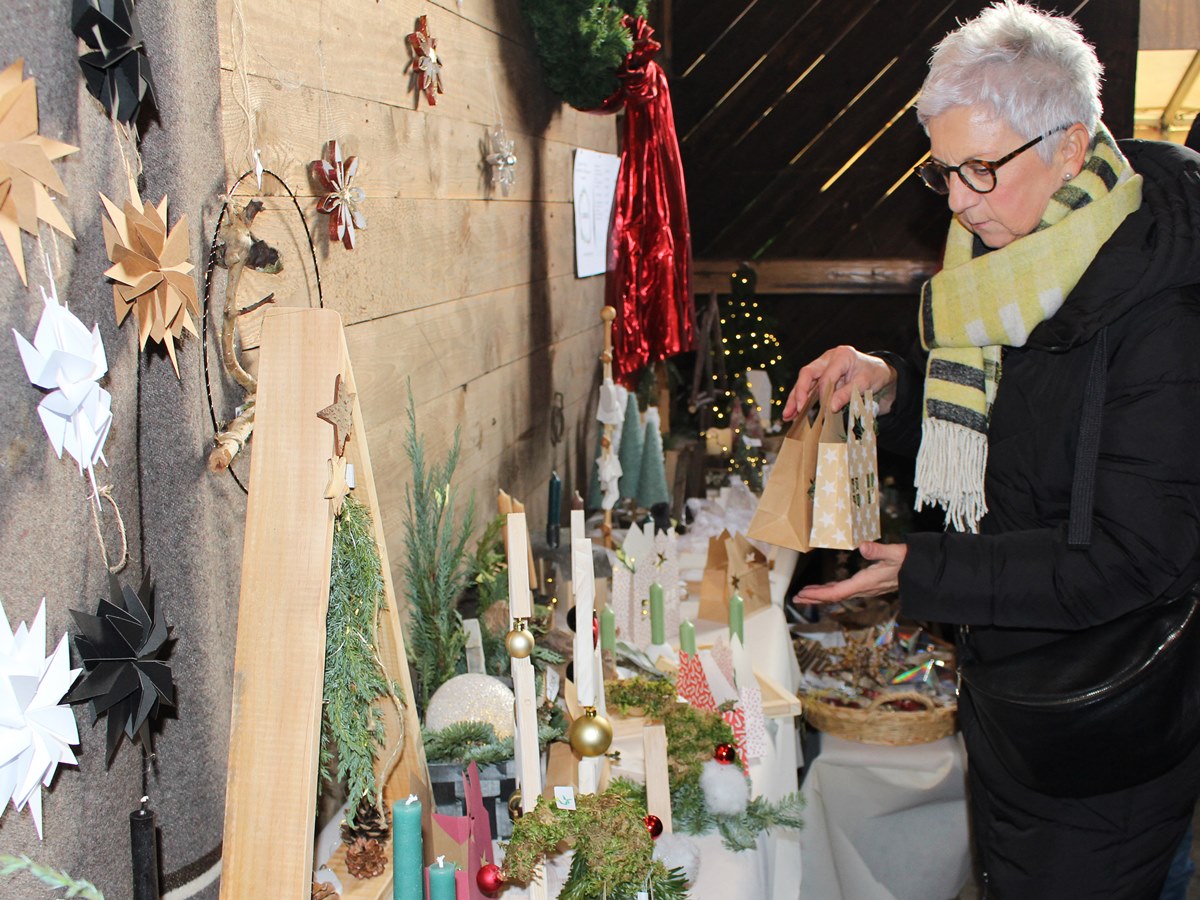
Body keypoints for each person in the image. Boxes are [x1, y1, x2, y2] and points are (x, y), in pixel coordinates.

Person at [783, 2, 1200, 896]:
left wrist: (923, 570)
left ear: (1071, 144)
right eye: (945, 174)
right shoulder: (1020, 268)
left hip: (1104, 732)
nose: (962, 201)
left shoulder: (1164, 309)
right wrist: (889, 384)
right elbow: (998, 440)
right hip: (1019, 701)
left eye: (981, 168)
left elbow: (1135, 558)